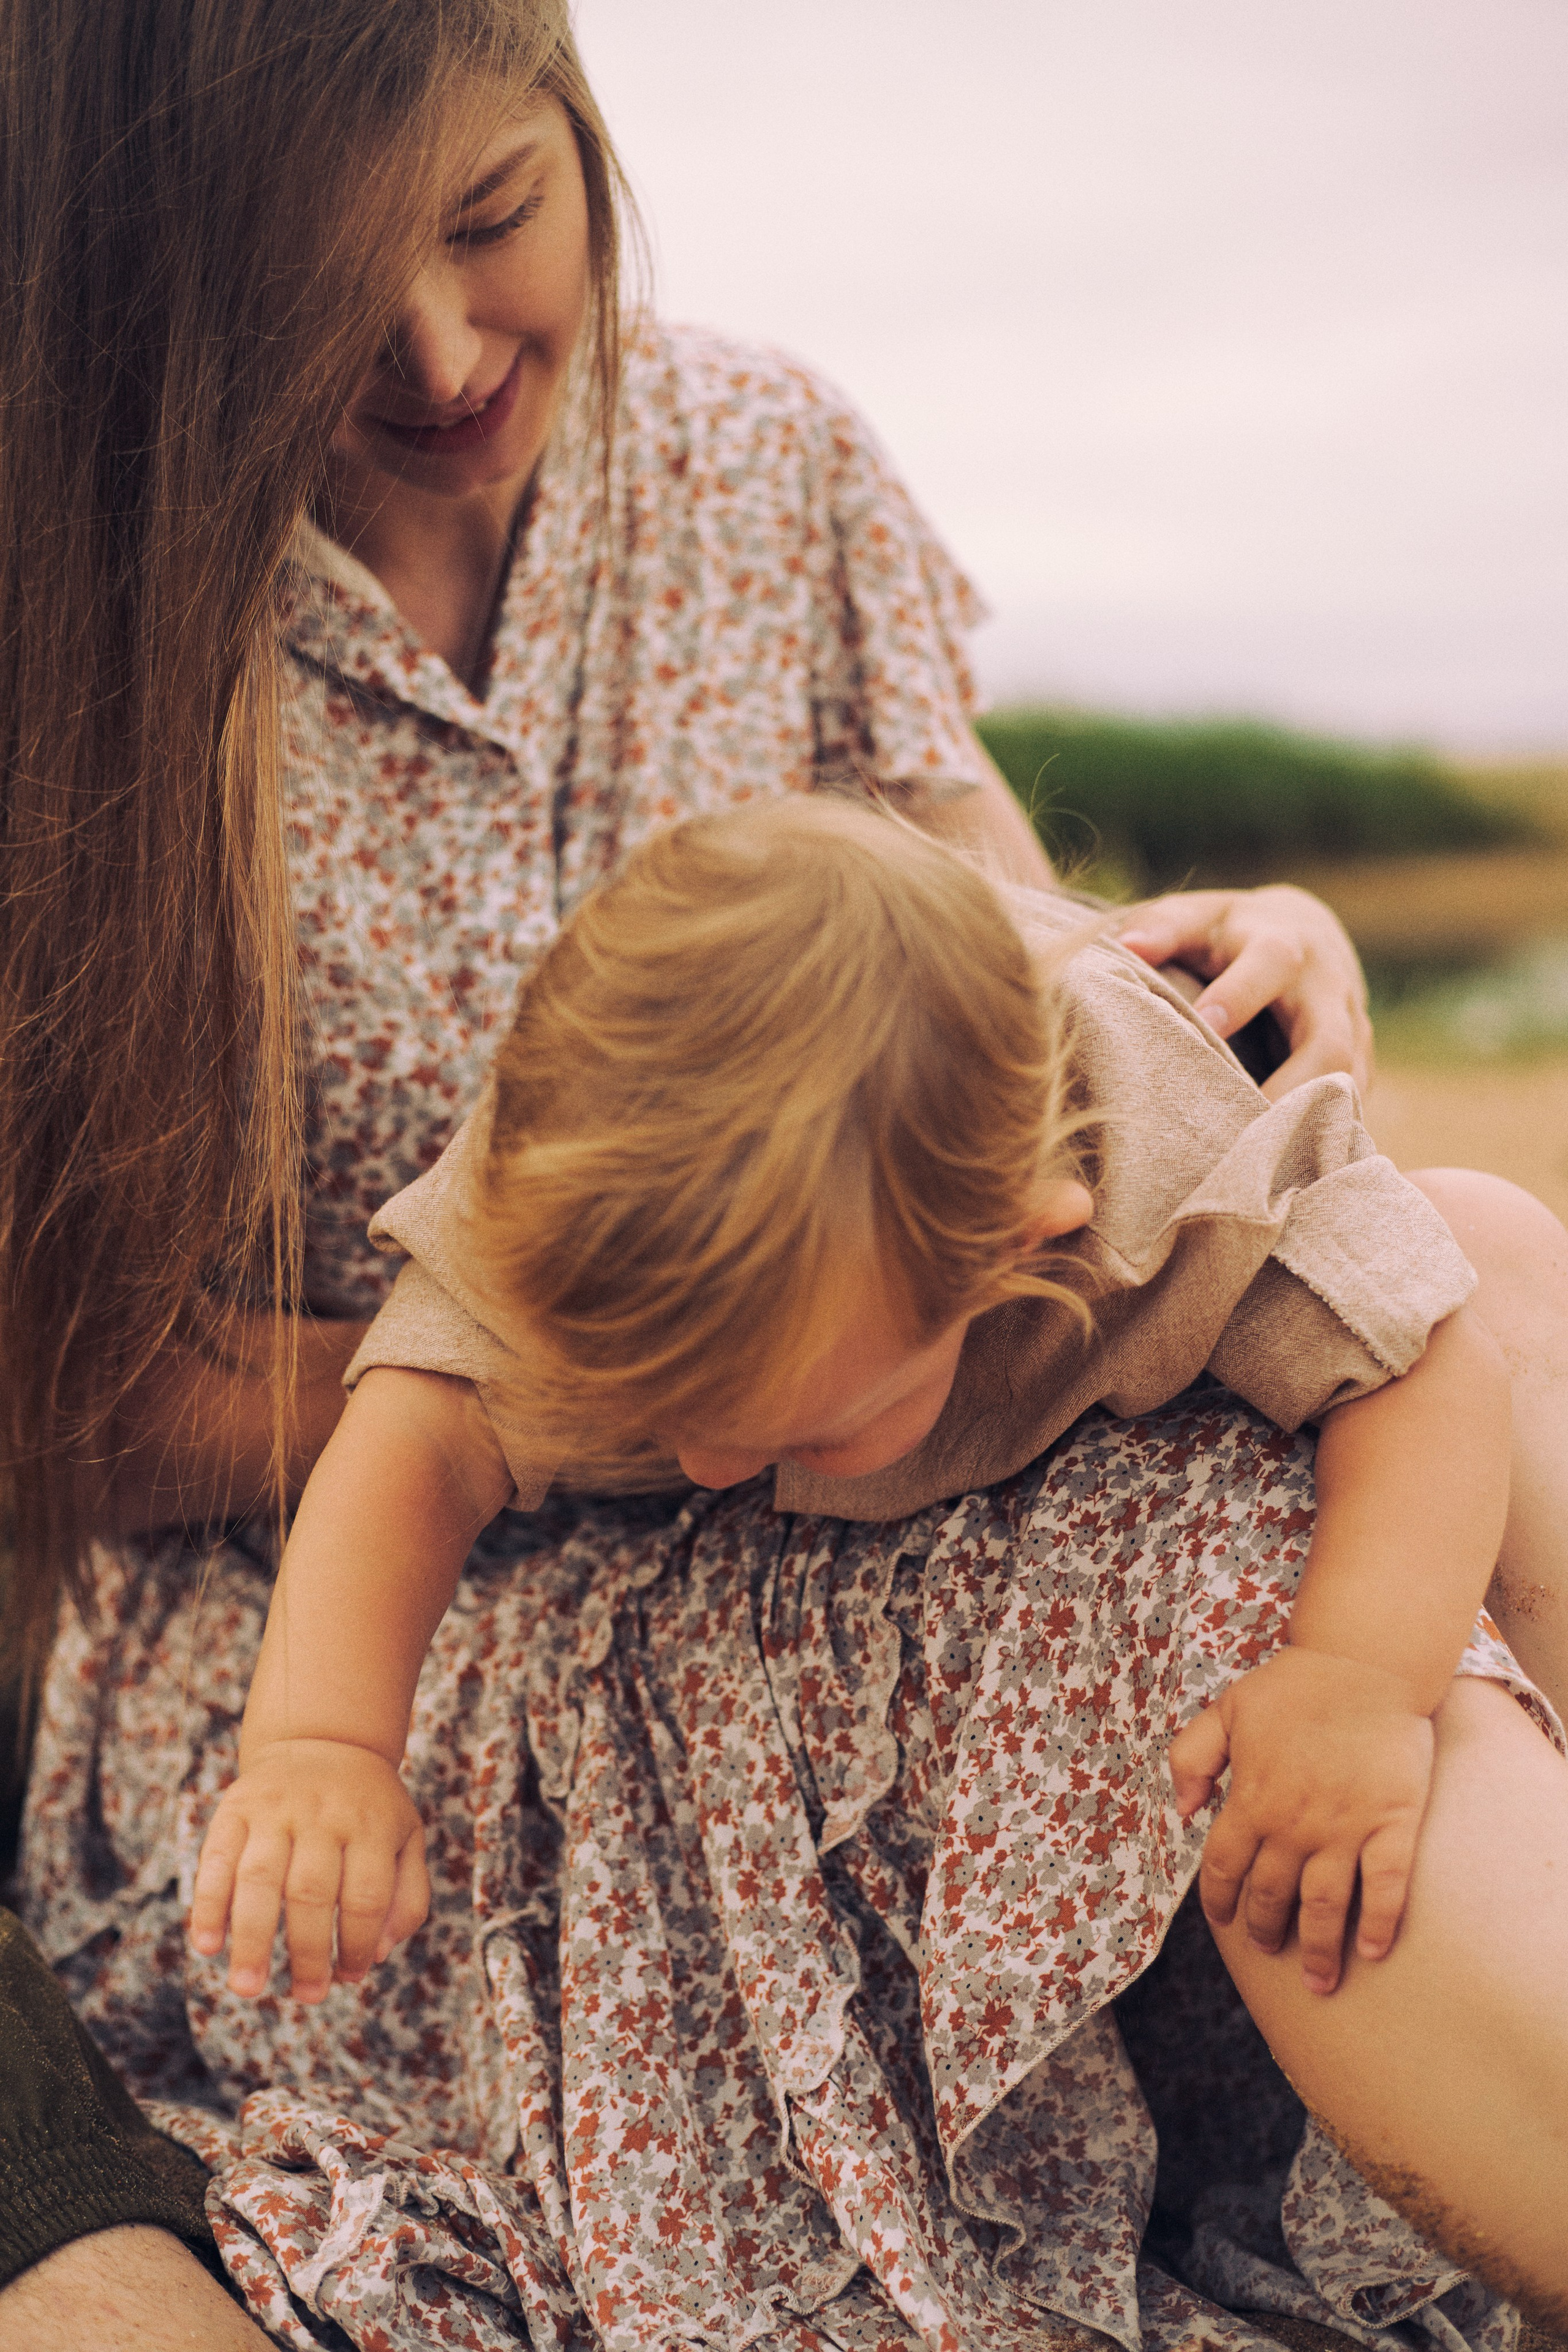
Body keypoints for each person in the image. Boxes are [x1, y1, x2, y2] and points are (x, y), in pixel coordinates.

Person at [2, 0, 1567, 2345]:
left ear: (573, 117)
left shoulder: (762, 457)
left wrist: (1219, 980)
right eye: (313, 301)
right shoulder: (71, 610)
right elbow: (65, 1395)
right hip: (384, 1601)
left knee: (1426, 1337)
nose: (437, 349)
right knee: (1216, 1566)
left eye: (493, 219)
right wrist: (639, 1375)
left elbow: (997, 970)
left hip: (896, 1432)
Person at [190, 797, 1509, 2019]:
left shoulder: (1184, 1154)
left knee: (1491, 1251)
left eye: (809, 1427)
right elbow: (419, 1435)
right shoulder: (573, 1185)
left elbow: (1422, 1362)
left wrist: (1353, 1678)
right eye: (649, 1413)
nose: (706, 1468)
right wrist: (321, 1742)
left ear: (1019, 1244)